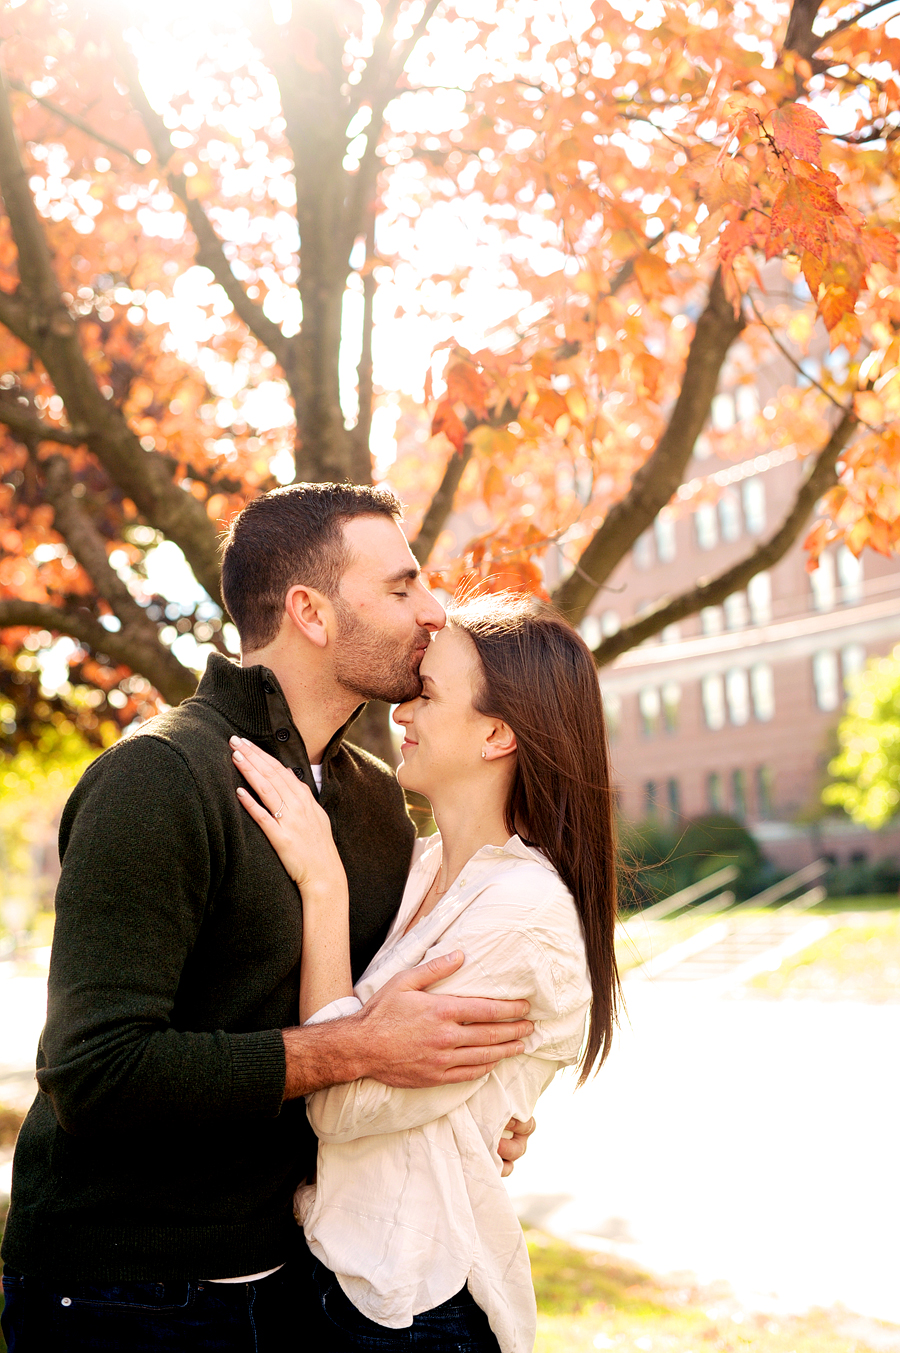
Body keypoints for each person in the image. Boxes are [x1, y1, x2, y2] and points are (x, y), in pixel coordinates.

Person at [0, 483, 536, 1353]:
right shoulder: (157, 777)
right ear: (310, 612)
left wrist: (470, 1111)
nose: (432, 611)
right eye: (400, 588)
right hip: (122, 1296)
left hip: (296, 1283)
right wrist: (353, 1048)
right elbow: (94, 1070)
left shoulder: (375, 805)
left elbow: (390, 1019)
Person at [230, 592, 621, 1352]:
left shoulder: (521, 909)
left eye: (426, 694)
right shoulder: (425, 864)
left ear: (497, 733)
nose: (400, 714)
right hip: (337, 1271)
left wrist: (324, 886)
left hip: (416, 1306)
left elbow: (337, 1109)